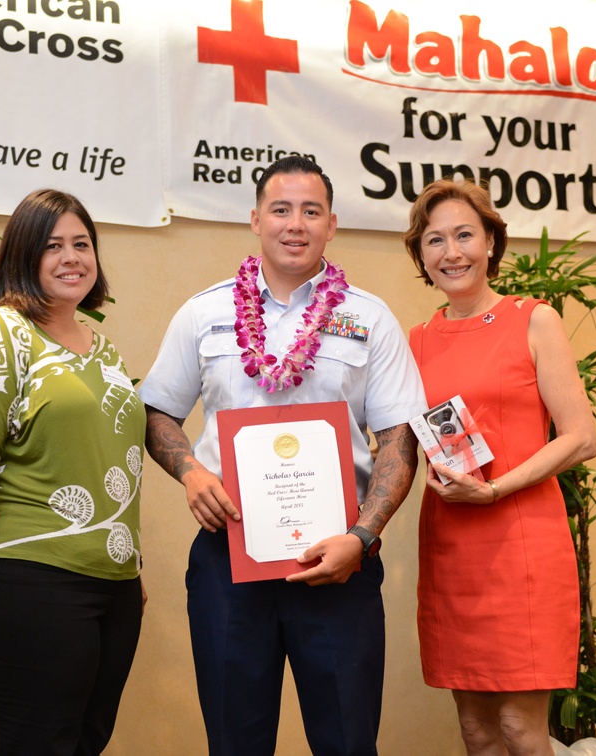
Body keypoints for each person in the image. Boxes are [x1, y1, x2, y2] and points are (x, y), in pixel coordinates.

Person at [138, 156, 425, 755]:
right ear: (255, 220)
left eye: (311, 210)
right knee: (235, 743)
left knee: (347, 742)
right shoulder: (204, 313)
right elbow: (157, 409)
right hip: (228, 562)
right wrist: (190, 471)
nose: (296, 223)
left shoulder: (369, 319)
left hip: (340, 562)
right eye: (281, 209)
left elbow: (399, 438)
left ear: (332, 224)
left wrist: (364, 535)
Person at [0, 189, 146, 755]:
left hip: (111, 586)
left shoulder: (100, 349)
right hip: (25, 579)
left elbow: (101, 457)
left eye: (82, 244)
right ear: (23, 255)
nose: (72, 257)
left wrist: (124, 561)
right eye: (53, 246)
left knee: (84, 743)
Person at [404, 179, 596, 756]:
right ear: (421, 256)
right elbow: (399, 442)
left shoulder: (534, 319)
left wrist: (495, 491)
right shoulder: (415, 340)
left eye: (465, 234)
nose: (451, 252)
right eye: (434, 240)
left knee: (519, 726)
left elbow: (581, 438)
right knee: (477, 730)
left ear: (491, 241)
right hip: (451, 547)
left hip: (522, 545)